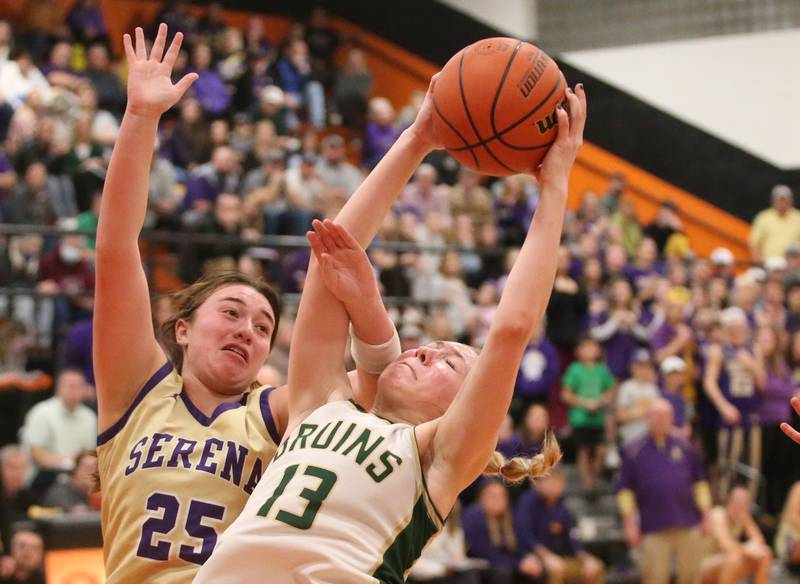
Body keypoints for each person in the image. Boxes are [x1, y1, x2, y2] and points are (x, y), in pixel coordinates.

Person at [195, 84, 586, 583]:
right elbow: (330, 259)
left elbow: (510, 329)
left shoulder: (439, 458)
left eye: (448, 362)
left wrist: (555, 185)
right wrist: (419, 137)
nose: (425, 353)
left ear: (466, 405)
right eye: (430, 347)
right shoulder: (320, 404)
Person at [93, 25, 402, 584]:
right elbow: (116, 251)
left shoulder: (275, 412)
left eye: (263, 326)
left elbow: (383, 389)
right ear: (182, 330)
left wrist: (369, 309)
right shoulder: (135, 390)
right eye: (231, 313)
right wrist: (140, 119)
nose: (248, 331)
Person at [616, 399, 710, 584]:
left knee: (692, 577)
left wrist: (706, 515)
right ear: (648, 417)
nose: (661, 420)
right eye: (656, 415)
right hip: (653, 527)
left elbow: (700, 484)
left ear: (672, 418)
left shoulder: (686, 447)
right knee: (654, 578)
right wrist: (629, 524)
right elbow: (625, 491)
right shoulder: (633, 450)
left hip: (688, 524)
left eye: (666, 415)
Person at [515, 468, 604, 584]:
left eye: (560, 482)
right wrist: (547, 557)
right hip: (533, 557)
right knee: (554, 569)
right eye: (552, 482)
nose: (557, 486)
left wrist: (586, 558)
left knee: (596, 567)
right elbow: (524, 535)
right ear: (539, 483)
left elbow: (572, 538)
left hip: (561, 557)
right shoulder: (527, 502)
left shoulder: (562, 507)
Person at [462, 481, 544, 583]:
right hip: (481, 564)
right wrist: (518, 564)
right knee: (502, 572)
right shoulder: (474, 516)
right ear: (482, 497)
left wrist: (527, 557)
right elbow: (483, 552)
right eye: (493, 496)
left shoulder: (509, 517)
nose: (498, 500)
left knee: (538, 567)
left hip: (505, 564)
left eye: (502, 496)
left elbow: (518, 546)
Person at [561, 336, 615, 489]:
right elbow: (565, 394)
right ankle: (587, 483)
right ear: (578, 350)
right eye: (586, 347)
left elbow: (611, 391)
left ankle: (595, 476)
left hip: (598, 418)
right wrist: (585, 403)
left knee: (600, 449)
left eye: (592, 347)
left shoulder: (602, 370)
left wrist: (600, 401)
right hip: (580, 419)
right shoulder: (574, 369)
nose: (589, 350)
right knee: (583, 450)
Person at [20, 369, 95, 475]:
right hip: (45, 474)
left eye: (79, 386)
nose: (74, 390)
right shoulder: (41, 412)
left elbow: (90, 453)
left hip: (78, 476)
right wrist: (67, 462)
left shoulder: (89, 417)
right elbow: (35, 453)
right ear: (58, 389)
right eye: (70, 386)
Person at [701, 486, 773, 584]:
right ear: (729, 501)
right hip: (705, 564)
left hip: (728, 559)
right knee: (734, 559)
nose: (740, 505)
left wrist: (750, 549)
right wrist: (748, 549)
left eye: (744, 502)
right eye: (737, 501)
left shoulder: (743, 516)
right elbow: (726, 545)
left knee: (765, 553)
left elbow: (759, 540)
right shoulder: (718, 515)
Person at [749, 185, 800, 263]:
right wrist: (759, 263)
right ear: (773, 201)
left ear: (791, 200)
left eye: (785, 200)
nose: (782, 203)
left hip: (794, 266)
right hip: (770, 266)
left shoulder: (798, 217)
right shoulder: (763, 217)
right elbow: (754, 243)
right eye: (779, 200)